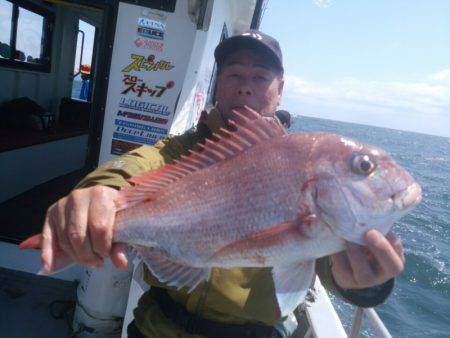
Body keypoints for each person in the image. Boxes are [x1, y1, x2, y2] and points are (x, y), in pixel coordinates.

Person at [40, 30, 404, 338]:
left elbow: (332, 266)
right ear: (219, 85)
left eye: (260, 77)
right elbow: (139, 164)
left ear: (280, 89)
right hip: (157, 327)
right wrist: (100, 190)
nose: (245, 87)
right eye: (234, 75)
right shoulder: (184, 151)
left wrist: (365, 282)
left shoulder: (303, 167)